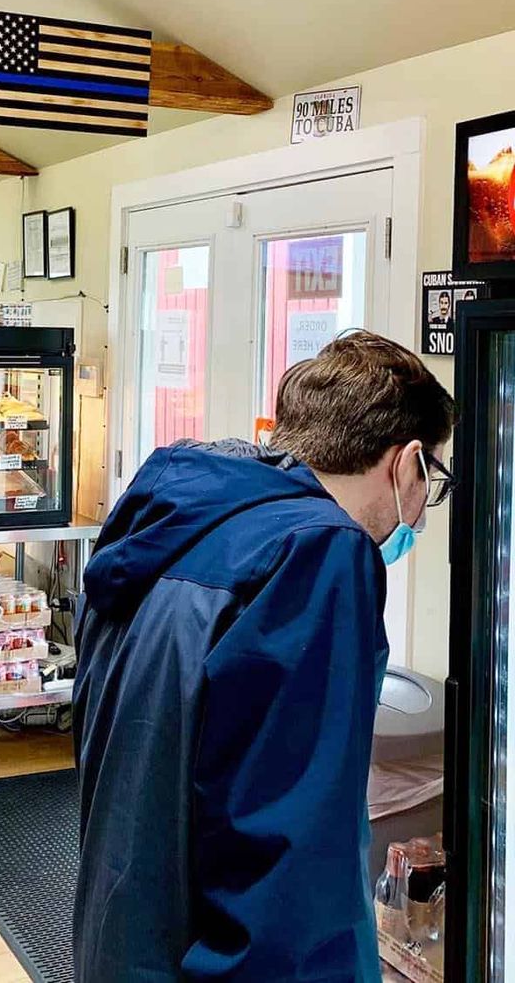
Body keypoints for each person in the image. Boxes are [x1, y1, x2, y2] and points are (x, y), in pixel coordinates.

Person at [73, 332, 456, 982]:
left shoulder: (174, 521)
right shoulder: (314, 556)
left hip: (123, 938)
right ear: (407, 461)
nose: (423, 509)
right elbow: (290, 864)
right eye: (434, 481)